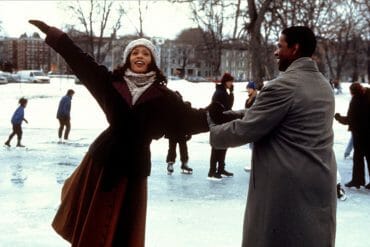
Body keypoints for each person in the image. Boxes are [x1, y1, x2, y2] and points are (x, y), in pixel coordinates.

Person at [29, 20, 208, 246]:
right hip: (102, 162)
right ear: (128, 58)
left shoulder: (165, 97)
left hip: (134, 168)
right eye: (135, 52)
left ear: (153, 60)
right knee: (93, 227)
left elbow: (193, 118)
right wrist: (57, 37)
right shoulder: (112, 84)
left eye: (145, 53)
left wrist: (229, 116)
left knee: (123, 232)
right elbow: (82, 63)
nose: (139, 56)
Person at [209, 26, 336, 246]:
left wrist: (212, 127)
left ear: (295, 49)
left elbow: (245, 129)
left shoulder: (283, 86)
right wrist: (232, 114)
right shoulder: (323, 85)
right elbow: (281, 115)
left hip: (287, 189)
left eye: (280, 46)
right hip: (320, 180)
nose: (276, 52)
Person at [334, 82, 370, 189]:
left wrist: (338, 117)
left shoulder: (355, 102)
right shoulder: (368, 96)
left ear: (353, 92)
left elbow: (350, 120)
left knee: (358, 158)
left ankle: (357, 180)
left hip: (359, 134)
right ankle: (359, 180)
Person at [208, 72, 235, 180]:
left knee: (222, 145)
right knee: (217, 147)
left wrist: (230, 93)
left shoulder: (222, 91)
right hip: (218, 123)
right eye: (230, 81)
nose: (231, 83)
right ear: (226, 82)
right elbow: (228, 106)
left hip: (220, 122)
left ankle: (220, 169)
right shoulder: (221, 92)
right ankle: (212, 171)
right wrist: (231, 93)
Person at [244, 81, 257, 172]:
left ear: (253, 89)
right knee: (252, 146)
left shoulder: (256, 99)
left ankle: (255, 165)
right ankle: (254, 164)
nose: (248, 90)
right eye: (247, 88)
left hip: (255, 124)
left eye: (249, 88)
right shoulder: (248, 99)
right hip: (250, 124)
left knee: (255, 146)